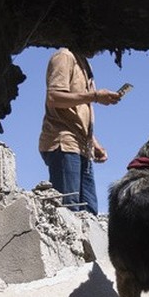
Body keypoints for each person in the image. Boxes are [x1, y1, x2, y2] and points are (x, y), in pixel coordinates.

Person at [39, 47, 123, 213]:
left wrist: (94, 143)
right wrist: (95, 96)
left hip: (83, 147)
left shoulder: (85, 64)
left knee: (89, 212)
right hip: (64, 143)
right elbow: (54, 97)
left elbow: (76, 113)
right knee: (69, 209)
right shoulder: (64, 56)